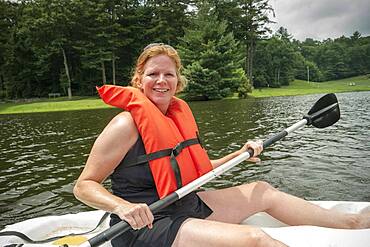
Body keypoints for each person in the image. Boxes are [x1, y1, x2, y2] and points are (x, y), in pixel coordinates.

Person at [74, 43, 370, 247]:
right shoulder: (126, 125)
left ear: (178, 80)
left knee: (262, 190)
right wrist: (122, 207)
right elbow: (84, 185)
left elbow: (197, 170)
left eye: (169, 74)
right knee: (256, 240)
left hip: (186, 203)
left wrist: (239, 154)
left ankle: (352, 223)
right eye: (153, 74)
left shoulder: (176, 116)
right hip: (147, 226)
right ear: (139, 80)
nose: (161, 80)